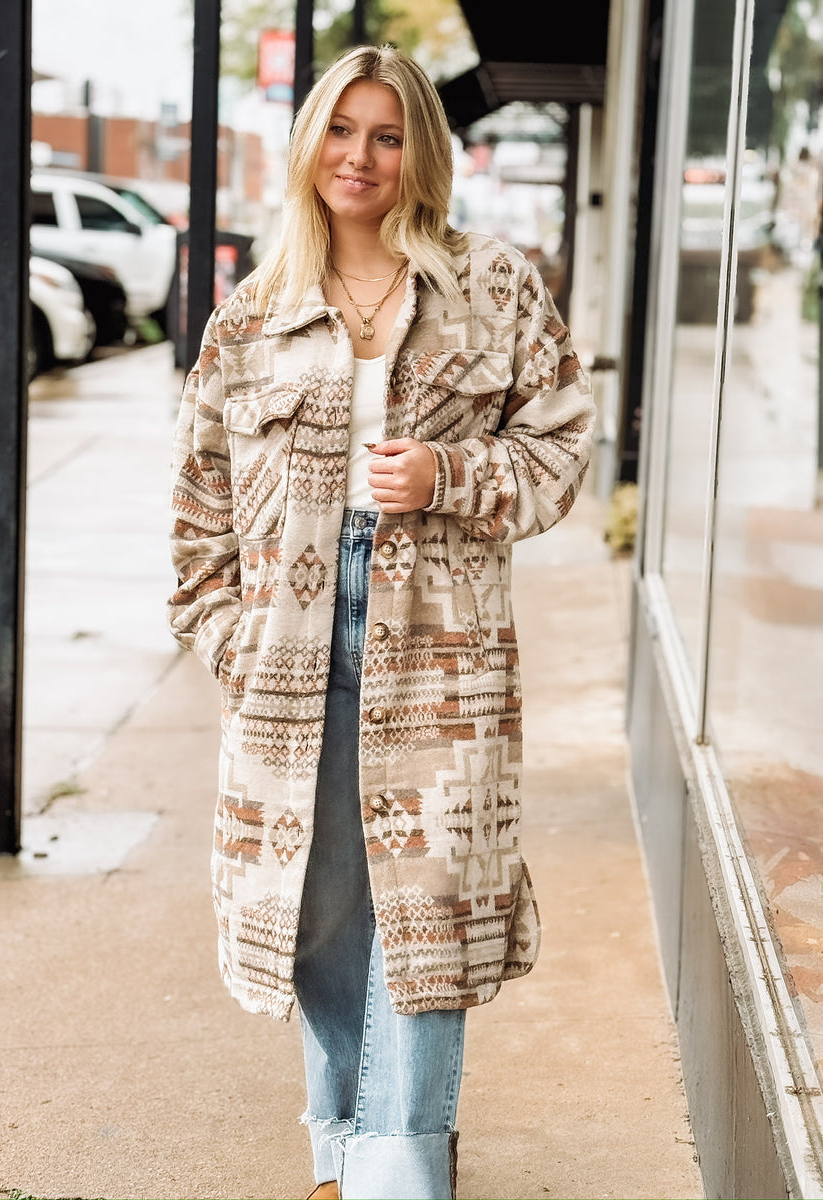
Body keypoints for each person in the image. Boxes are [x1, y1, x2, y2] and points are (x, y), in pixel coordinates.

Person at [168, 44, 595, 1200]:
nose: (360, 156)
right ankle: (348, 1150)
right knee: (315, 912)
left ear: (422, 153)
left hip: (439, 647)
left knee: (424, 918)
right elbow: (198, 519)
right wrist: (237, 646)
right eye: (342, 131)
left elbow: (561, 447)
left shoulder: (493, 287)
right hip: (289, 649)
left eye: (389, 135)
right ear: (311, 143)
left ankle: (396, 1174)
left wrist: (449, 474)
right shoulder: (251, 316)